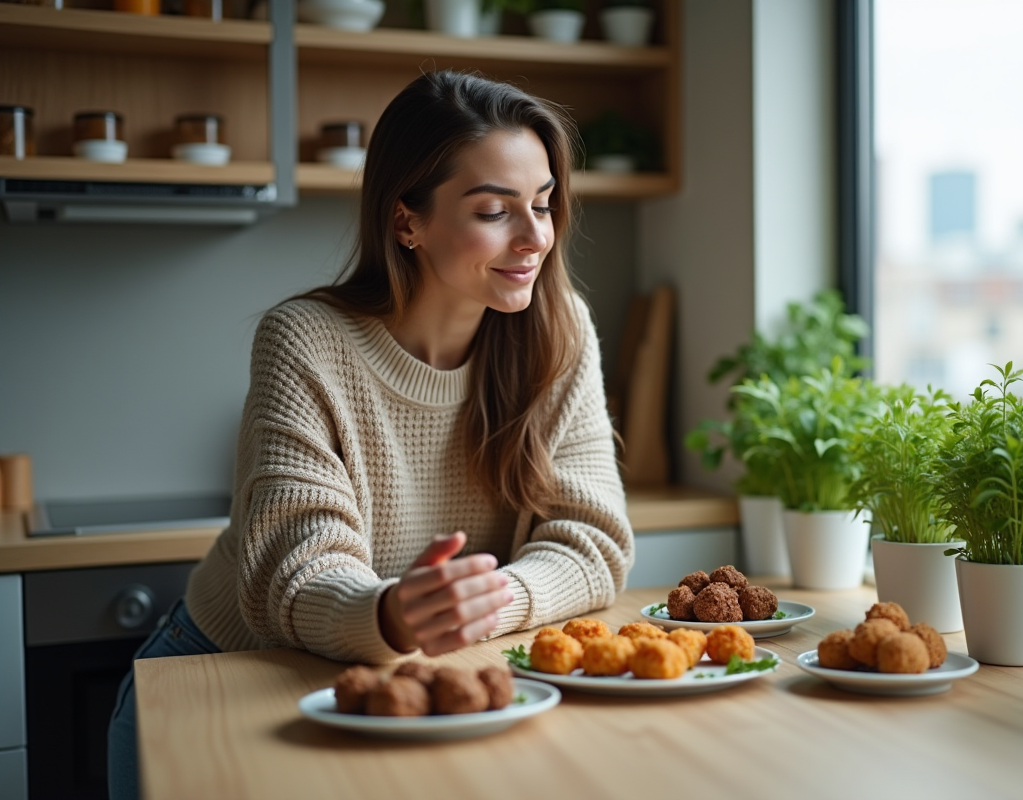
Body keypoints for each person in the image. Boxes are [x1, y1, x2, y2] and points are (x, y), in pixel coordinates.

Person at [108, 70, 634, 799]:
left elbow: (593, 542)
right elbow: (295, 571)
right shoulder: (306, 341)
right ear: (406, 221)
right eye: (494, 211)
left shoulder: (560, 329)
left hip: (420, 674)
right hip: (231, 675)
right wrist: (390, 612)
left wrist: (487, 602)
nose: (535, 237)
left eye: (544, 205)